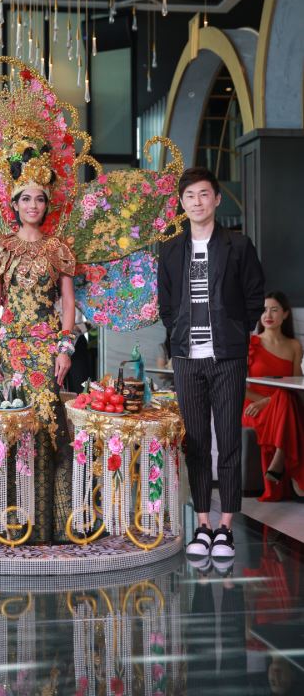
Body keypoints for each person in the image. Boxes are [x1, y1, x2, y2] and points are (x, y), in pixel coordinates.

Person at [158, 166, 265, 564]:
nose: (197, 202)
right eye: (190, 196)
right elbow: (167, 303)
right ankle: (201, 525)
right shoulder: (170, 250)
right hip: (187, 357)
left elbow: (255, 294)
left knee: (229, 443)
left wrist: (240, 329)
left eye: (204, 195)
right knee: (197, 442)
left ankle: (226, 526)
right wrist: (178, 333)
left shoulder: (237, 246)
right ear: (182, 204)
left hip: (228, 357)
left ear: (216, 200)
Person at [0, 167, 76, 544]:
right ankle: (6, 522)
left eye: (39, 198)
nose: (32, 205)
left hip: (48, 350)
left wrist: (65, 346)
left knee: (49, 426)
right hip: (11, 351)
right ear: (14, 205)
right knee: (10, 428)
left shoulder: (59, 248)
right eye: (25, 198)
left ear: (46, 205)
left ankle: (51, 523)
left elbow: (68, 302)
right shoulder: (1, 248)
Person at [242, 292, 304, 502]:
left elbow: (296, 383)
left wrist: (270, 400)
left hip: (281, 403)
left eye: (274, 309)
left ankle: (279, 458)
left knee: (286, 396)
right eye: (264, 309)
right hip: (253, 405)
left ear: (285, 314)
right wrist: (263, 402)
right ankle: (294, 472)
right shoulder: (250, 343)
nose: (268, 314)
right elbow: (238, 386)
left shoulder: (295, 345)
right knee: (285, 399)